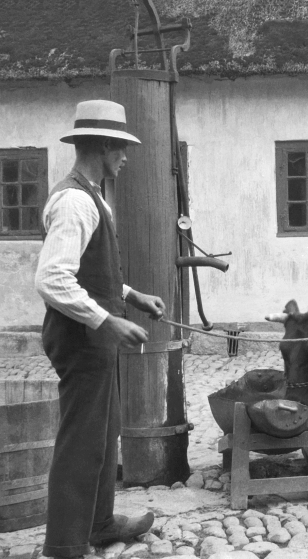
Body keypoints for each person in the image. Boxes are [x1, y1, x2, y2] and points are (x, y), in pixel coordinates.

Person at [35, 100, 165, 557]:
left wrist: (129, 296)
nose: (126, 157)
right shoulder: (74, 201)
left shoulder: (93, 197)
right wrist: (108, 319)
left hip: (93, 334)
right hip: (79, 337)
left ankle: (101, 523)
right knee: (82, 438)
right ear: (105, 146)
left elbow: (93, 271)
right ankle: (64, 544)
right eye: (122, 148)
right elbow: (52, 278)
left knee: (104, 429)